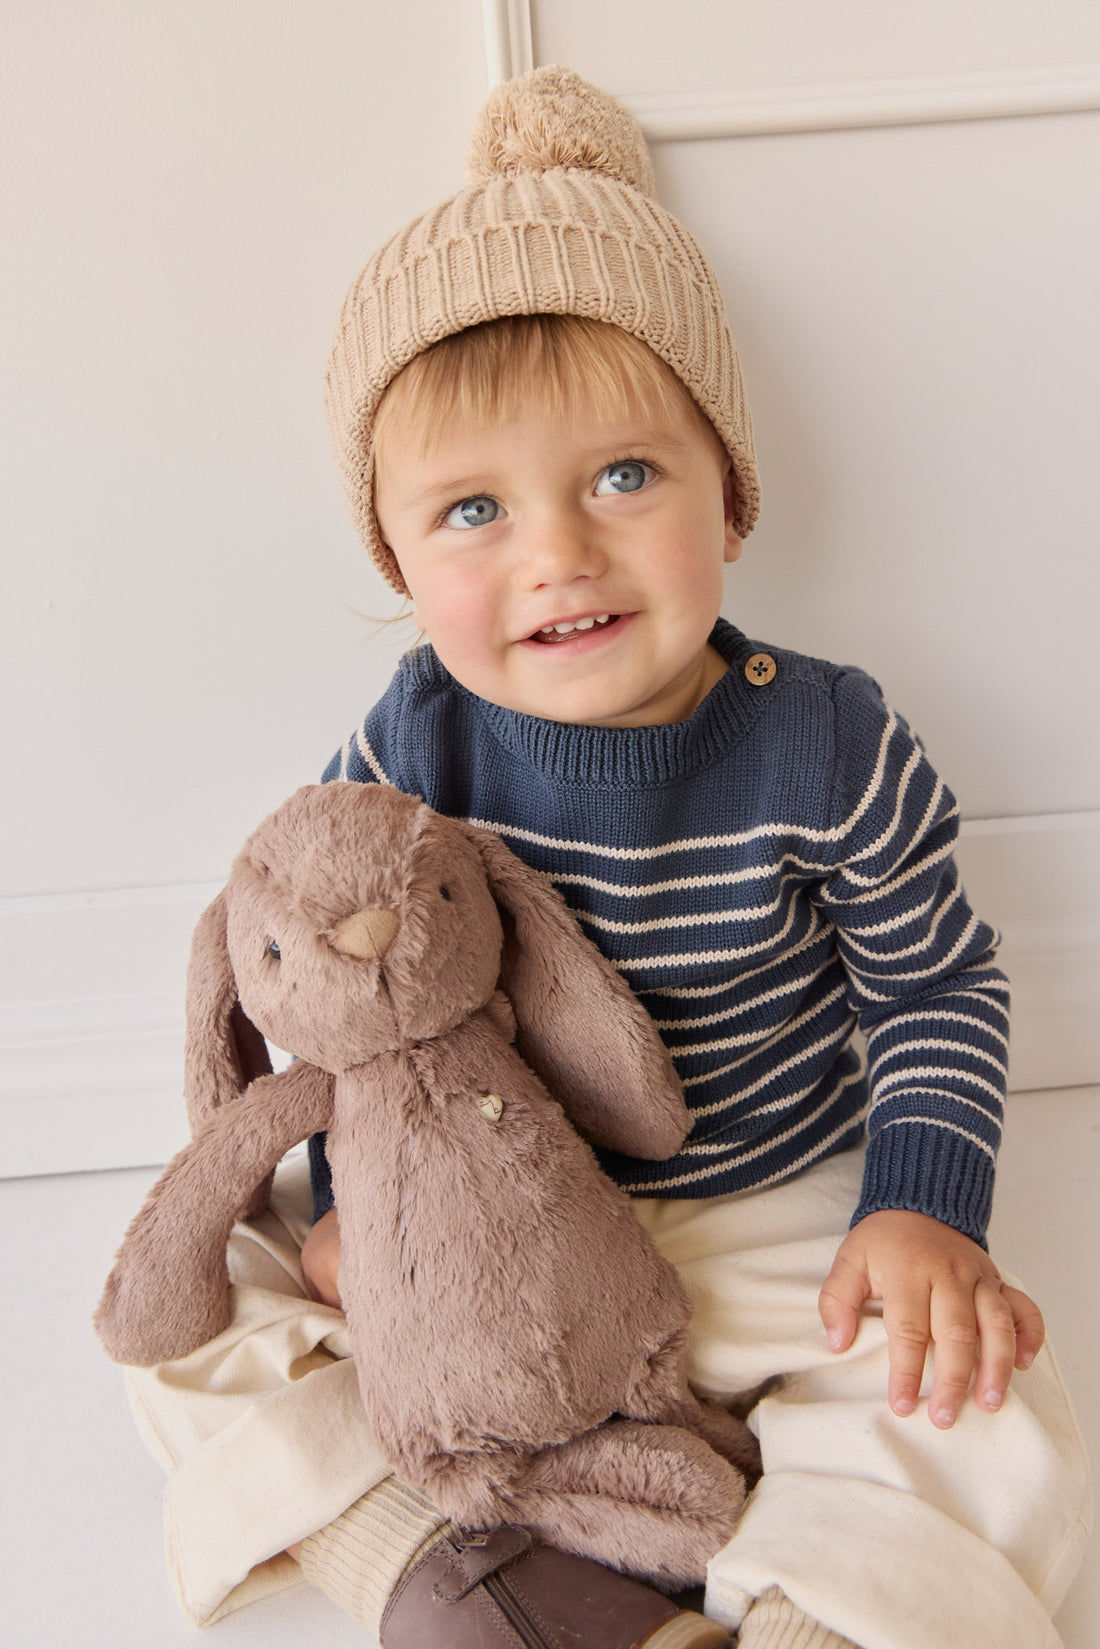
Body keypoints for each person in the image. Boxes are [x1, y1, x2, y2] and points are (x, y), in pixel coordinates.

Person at [121, 67, 1090, 1649]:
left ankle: (814, 1616)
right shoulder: (409, 748)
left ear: (731, 494)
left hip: (767, 1225)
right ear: (397, 554)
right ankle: (470, 1583)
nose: (559, 553)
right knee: (191, 1307)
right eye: (474, 509)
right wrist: (351, 1213)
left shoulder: (828, 742)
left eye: (625, 478)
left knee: (990, 1404)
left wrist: (921, 1213)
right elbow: (336, 1016)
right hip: (489, 1239)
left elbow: (934, 989)